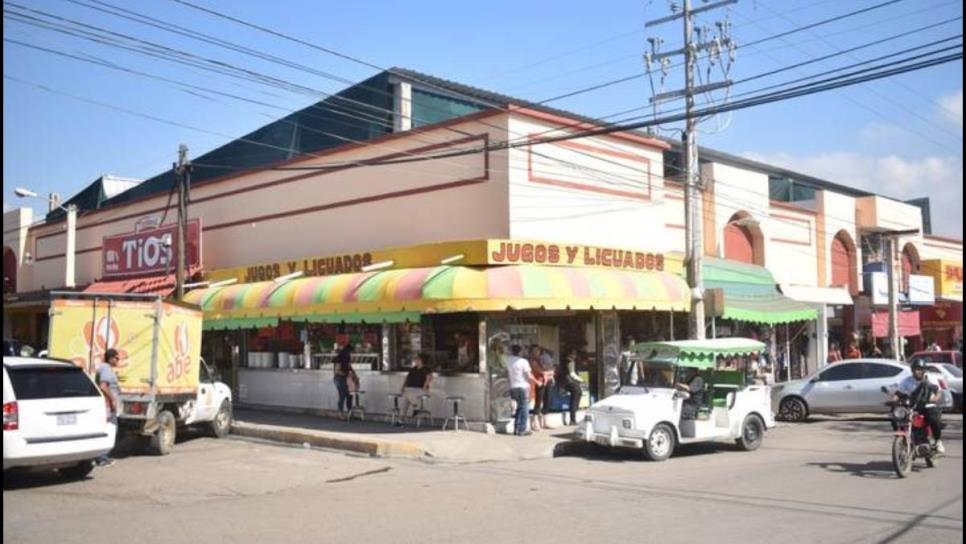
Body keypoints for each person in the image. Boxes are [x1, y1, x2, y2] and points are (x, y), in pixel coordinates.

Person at [894, 359, 945, 454]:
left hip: (927, 405)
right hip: (913, 406)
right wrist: (893, 401)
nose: (918, 371)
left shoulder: (930, 379)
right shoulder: (907, 381)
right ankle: (905, 438)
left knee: (932, 418)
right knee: (896, 416)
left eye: (921, 369)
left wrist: (934, 399)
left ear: (924, 370)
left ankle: (938, 441)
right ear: (912, 370)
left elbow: (938, 392)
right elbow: (898, 393)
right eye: (916, 369)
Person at [95, 348, 122, 467]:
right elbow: (103, 386)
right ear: (110, 358)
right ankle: (102, 457)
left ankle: (102, 456)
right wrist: (112, 399)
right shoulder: (105, 368)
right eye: (117, 358)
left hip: (108, 405)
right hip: (107, 405)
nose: (118, 360)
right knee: (111, 429)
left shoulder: (107, 368)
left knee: (111, 429)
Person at [506, 345, 537, 436]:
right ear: (520, 352)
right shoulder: (523, 361)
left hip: (513, 387)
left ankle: (516, 428)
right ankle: (522, 429)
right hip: (523, 386)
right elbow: (529, 375)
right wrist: (537, 381)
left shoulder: (508, 360)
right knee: (524, 408)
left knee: (519, 408)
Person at [397, 353, 433, 426]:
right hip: (410, 389)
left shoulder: (426, 369)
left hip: (420, 389)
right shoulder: (413, 369)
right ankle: (401, 420)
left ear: (421, 361)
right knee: (404, 403)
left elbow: (430, 377)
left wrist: (424, 387)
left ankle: (415, 407)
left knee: (407, 394)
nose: (415, 361)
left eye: (417, 360)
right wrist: (403, 387)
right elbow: (407, 378)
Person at [556, 349, 584, 425]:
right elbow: (572, 374)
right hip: (569, 382)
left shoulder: (563, 361)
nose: (574, 356)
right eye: (573, 354)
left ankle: (573, 417)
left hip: (564, 382)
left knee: (575, 397)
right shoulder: (570, 362)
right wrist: (581, 380)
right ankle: (573, 419)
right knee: (577, 394)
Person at [332, 344, 354, 418]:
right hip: (339, 378)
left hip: (344, 378)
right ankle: (340, 413)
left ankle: (349, 412)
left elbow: (349, 367)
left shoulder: (347, 358)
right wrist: (346, 374)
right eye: (350, 352)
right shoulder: (339, 358)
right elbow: (337, 371)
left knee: (349, 394)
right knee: (342, 395)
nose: (351, 354)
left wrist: (353, 374)